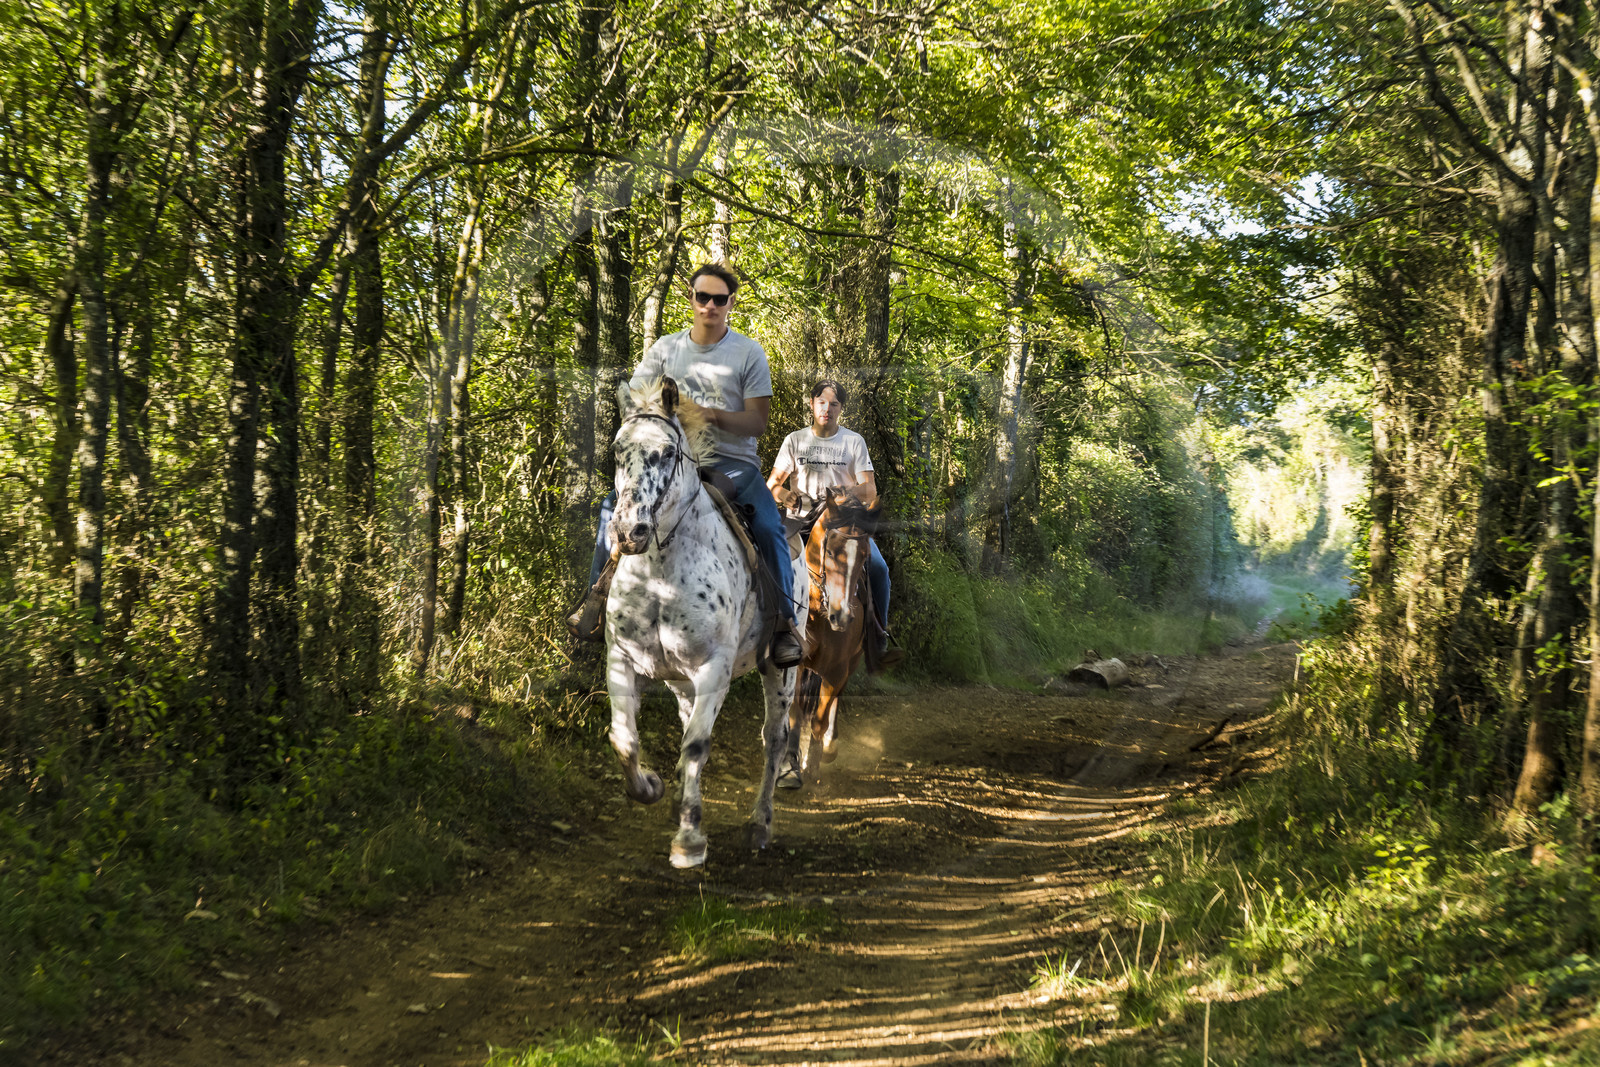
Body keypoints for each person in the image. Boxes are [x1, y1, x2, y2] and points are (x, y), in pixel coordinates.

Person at [575, 263, 804, 669]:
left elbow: (758, 422)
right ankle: (596, 600)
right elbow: (635, 402)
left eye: (719, 299)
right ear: (691, 298)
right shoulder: (666, 349)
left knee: (769, 526)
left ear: (731, 303)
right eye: (703, 297)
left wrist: (708, 414)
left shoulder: (748, 353)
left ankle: (785, 624)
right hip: (667, 463)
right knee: (612, 506)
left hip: (732, 464)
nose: (710, 305)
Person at [766, 378, 901, 670]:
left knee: (878, 568)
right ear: (812, 404)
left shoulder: (853, 442)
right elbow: (772, 485)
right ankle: (773, 633)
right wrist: (786, 495)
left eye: (834, 404)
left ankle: (878, 635)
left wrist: (843, 494)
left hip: (843, 523)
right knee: (772, 561)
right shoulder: (795, 440)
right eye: (822, 402)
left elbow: (870, 490)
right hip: (801, 521)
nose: (827, 409)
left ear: (841, 408)